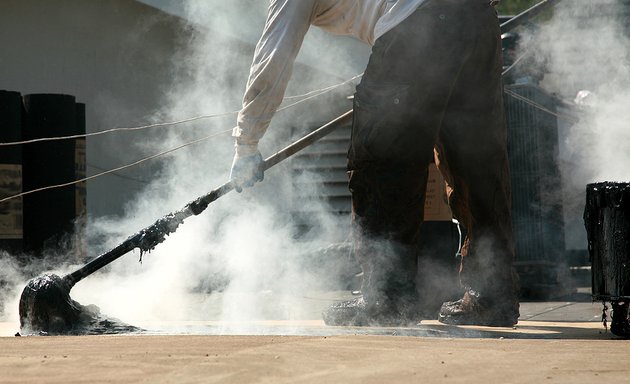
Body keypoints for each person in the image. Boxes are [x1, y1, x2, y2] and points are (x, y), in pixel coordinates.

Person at [230, 0, 520, 327]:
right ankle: (492, 294)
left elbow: (274, 57)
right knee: (475, 161)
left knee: (381, 158)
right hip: (476, 18)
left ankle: (388, 296)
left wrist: (246, 143)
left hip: (417, 23)